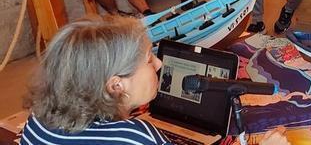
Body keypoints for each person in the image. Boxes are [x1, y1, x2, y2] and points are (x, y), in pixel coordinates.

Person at [21, 16, 289, 145]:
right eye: (149, 59)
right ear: (116, 85)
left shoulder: (37, 121)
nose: (160, 64)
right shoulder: (135, 138)